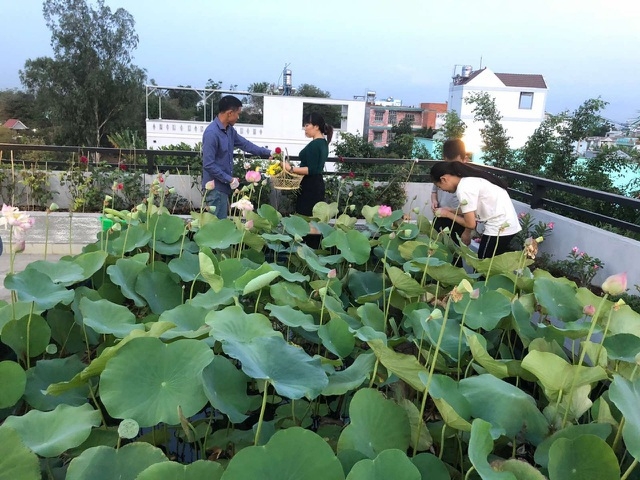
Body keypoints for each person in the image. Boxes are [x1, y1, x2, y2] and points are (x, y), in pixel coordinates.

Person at [430, 161, 521, 259]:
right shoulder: (469, 181)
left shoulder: (463, 189)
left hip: (499, 227)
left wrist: (448, 214)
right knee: (488, 265)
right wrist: (451, 210)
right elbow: (471, 210)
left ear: (443, 179)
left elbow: (470, 224)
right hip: (507, 224)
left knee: (483, 267)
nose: (442, 190)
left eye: (439, 187)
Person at [202, 95, 272, 219]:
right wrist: (229, 179)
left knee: (221, 226)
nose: (238, 117)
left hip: (223, 188)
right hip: (215, 189)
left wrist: (268, 153)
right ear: (230, 113)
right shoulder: (211, 133)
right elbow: (208, 164)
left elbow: (245, 144)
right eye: (237, 114)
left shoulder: (229, 130)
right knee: (217, 229)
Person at [283, 112, 333, 217]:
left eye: (307, 125)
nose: (305, 128)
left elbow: (311, 169)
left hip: (310, 185)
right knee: (314, 219)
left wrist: (290, 168)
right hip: (317, 183)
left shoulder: (315, 144)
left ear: (316, 126)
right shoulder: (323, 142)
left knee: (306, 218)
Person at [431, 139, 471, 248]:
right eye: (450, 163)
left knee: (455, 253)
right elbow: (434, 191)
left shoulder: (467, 180)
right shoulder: (441, 172)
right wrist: (434, 201)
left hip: (459, 221)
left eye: (456, 163)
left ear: (464, 159)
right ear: (444, 159)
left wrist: (467, 232)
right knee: (436, 248)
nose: (454, 167)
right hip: (441, 215)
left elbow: (472, 215)